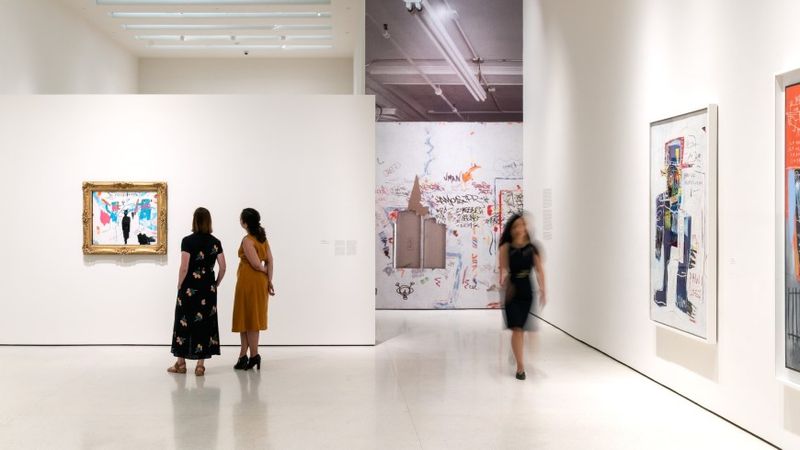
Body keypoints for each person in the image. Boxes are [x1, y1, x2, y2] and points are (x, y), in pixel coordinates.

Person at [168, 207, 226, 376]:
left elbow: (184, 267)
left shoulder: (187, 241)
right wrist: (216, 283)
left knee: (183, 321)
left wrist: (179, 284)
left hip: (189, 288)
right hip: (208, 289)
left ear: (194, 221)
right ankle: (200, 366)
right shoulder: (216, 242)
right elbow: (223, 267)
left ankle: (181, 364)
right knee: (204, 323)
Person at [498, 213, 546, 380]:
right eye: (516, 226)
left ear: (527, 228)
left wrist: (543, 289)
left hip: (527, 291)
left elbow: (539, 270)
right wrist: (503, 281)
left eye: (522, 225)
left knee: (522, 329)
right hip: (512, 291)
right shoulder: (505, 248)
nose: (519, 229)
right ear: (511, 230)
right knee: (517, 329)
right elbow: (503, 270)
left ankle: (515, 352)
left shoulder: (533, 249)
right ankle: (520, 368)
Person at [232, 208, 275, 371]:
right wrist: (269, 280)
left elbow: (257, 264)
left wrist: (263, 271)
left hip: (249, 282)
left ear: (245, 223)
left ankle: (254, 355)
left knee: (250, 319)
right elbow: (270, 260)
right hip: (260, 282)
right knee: (248, 318)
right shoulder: (263, 239)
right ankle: (243, 355)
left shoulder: (247, 240)